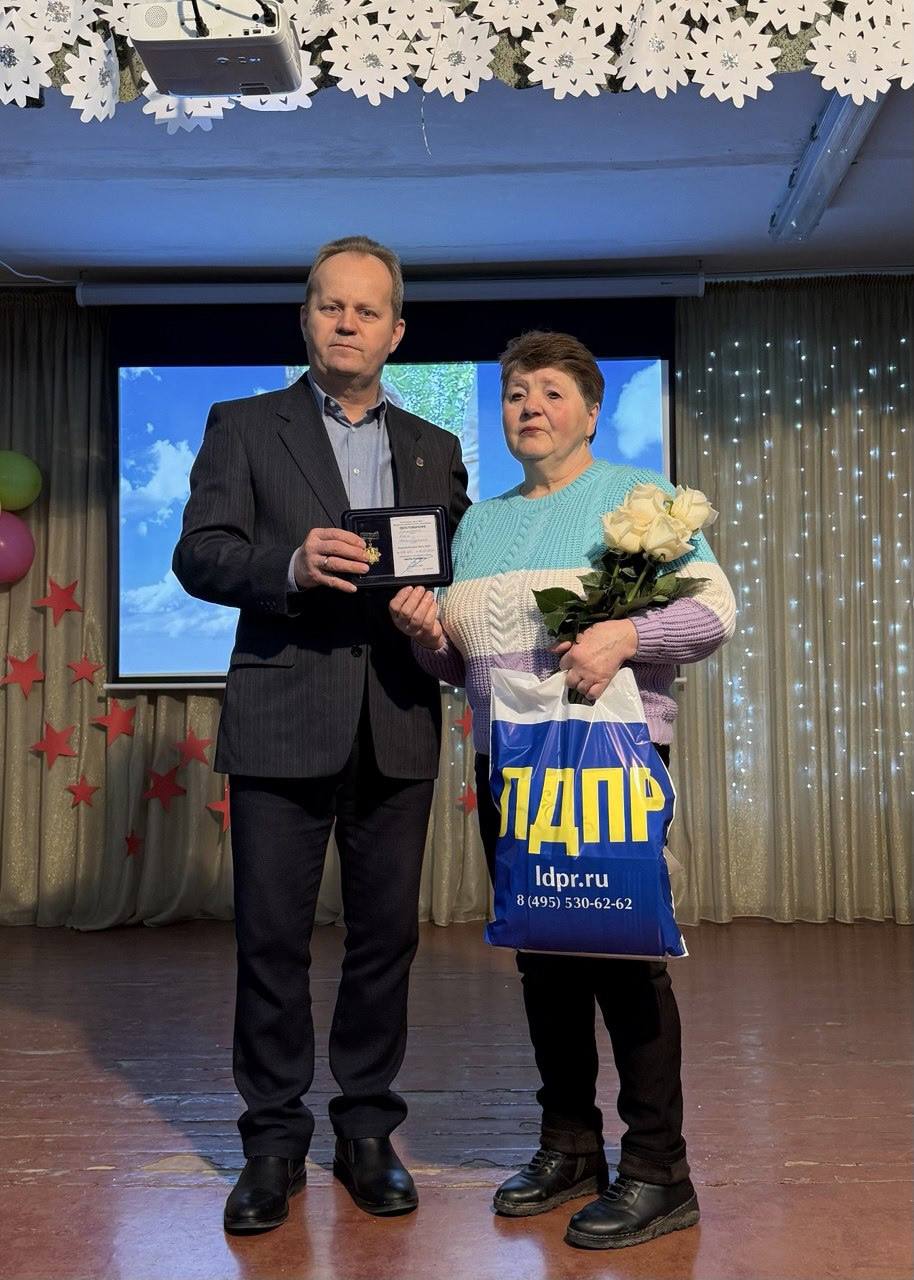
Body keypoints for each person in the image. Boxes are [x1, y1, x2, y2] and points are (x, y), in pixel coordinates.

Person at [391, 331, 735, 1251]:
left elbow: (715, 610)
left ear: (589, 410)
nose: (529, 407)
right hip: (510, 765)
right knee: (543, 958)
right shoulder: (478, 523)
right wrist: (426, 636)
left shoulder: (638, 497)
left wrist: (627, 637)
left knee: (622, 959)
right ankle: (571, 1146)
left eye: (550, 391)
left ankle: (659, 1171)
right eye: (515, 394)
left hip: (608, 760)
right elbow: (461, 664)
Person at [173, 236, 469, 1233]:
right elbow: (199, 555)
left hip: (396, 718)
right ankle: (270, 1142)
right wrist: (290, 566)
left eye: (365, 309)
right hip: (279, 718)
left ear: (395, 331)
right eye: (329, 305)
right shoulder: (242, 424)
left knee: (386, 939)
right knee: (270, 941)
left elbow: (455, 570)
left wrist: (436, 610)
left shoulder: (433, 446)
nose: (346, 322)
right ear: (306, 318)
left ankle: (367, 1131)